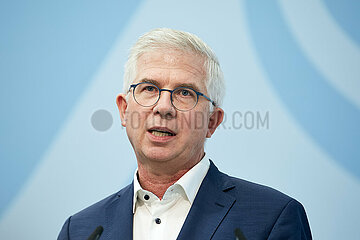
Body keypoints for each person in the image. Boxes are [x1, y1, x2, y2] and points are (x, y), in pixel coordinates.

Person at [58, 28, 312, 240]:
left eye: (185, 93)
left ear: (212, 121)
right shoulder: (81, 230)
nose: (163, 107)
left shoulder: (272, 217)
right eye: (149, 88)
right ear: (124, 110)